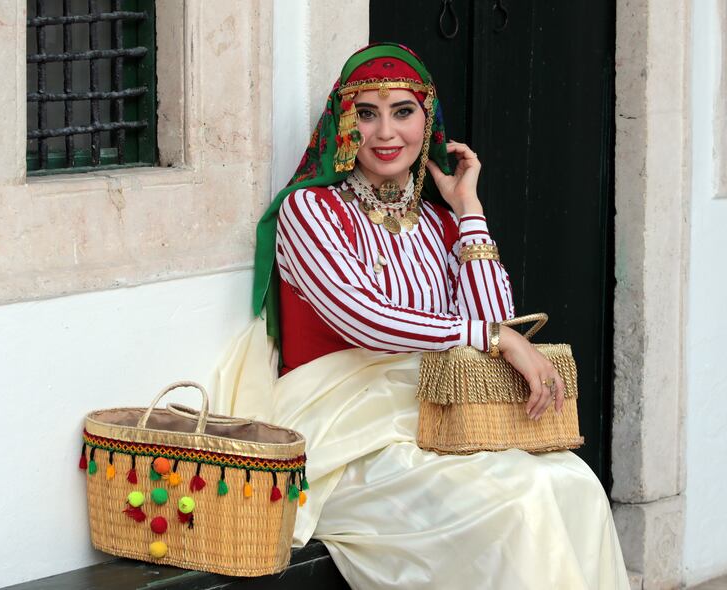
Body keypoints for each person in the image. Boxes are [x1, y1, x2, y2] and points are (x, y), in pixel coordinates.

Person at [216, 42, 630, 589]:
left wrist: (469, 212)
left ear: (426, 120)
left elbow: (493, 318)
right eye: (367, 114)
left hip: (435, 415)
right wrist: (496, 338)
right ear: (343, 124)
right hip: (343, 435)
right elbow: (366, 319)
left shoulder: (441, 225)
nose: (386, 133)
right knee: (517, 502)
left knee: (574, 482)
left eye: (403, 112)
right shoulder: (310, 211)